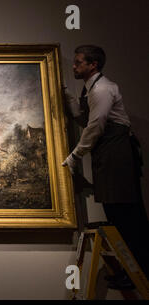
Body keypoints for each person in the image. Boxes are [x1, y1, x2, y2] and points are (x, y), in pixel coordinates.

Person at [62, 45, 149, 289]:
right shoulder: (91, 88)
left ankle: (140, 272)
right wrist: (67, 97)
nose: (74, 65)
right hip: (107, 154)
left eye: (78, 62)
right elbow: (85, 117)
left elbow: (96, 126)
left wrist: (75, 155)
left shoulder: (102, 89)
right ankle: (132, 271)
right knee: (116, 214)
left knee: (128, 216)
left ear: (93, 65)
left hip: (116, 154)